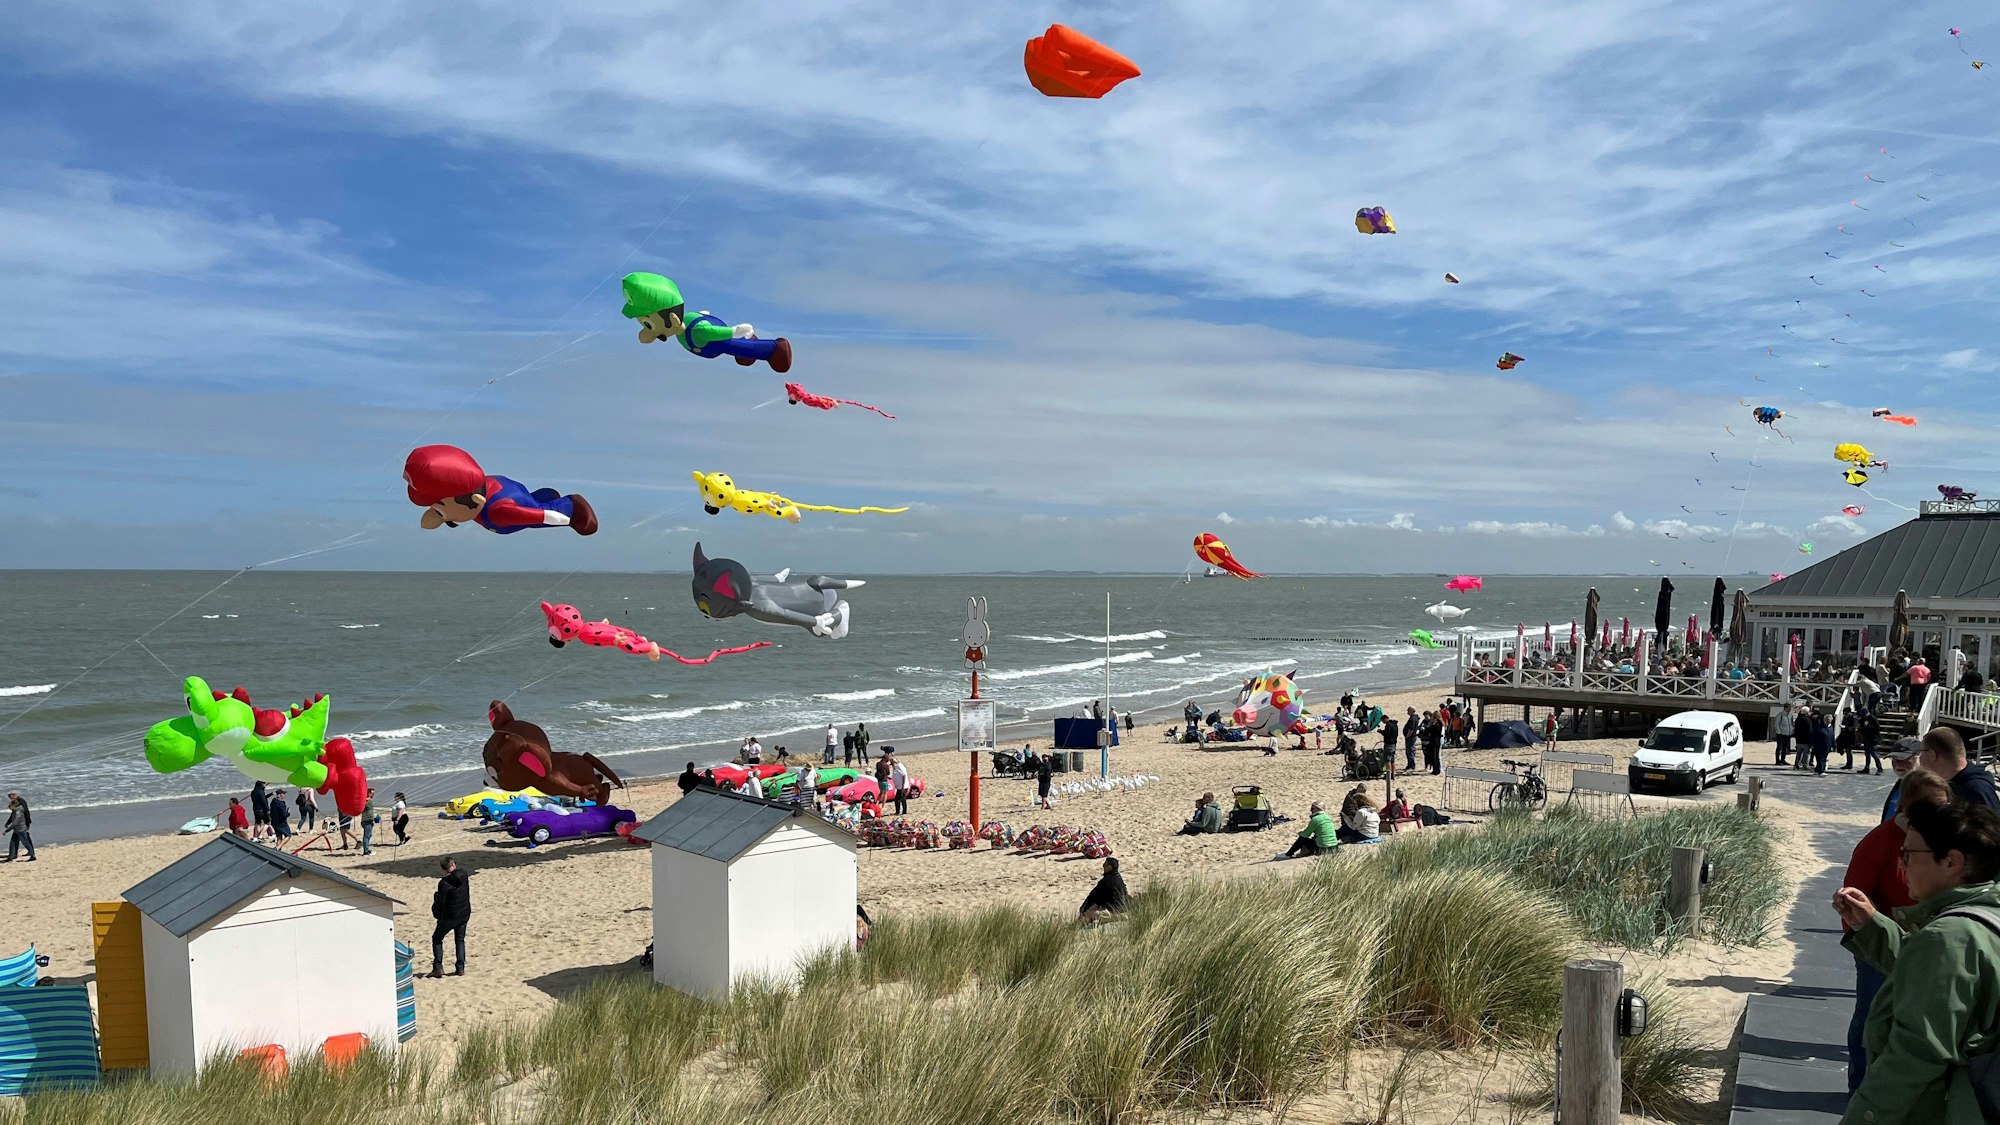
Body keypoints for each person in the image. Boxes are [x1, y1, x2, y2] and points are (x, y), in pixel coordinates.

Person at [1834, 801, 2000, 1124]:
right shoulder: (1984, 915)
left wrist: (1860, 1117)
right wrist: (1872, 927)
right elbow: (1935, 974)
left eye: (1909, 854)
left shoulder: (1948, 938)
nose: (1901, 863)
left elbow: (1915, 1054)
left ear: (1951, 862)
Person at [1840, 768, 1953, 1092]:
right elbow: (1852, 901)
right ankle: (1861, 1088)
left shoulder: (1940, 840)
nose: (1943, 815)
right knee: (1872, 1018)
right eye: (1935, 808)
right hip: (1880, 946)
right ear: (1910, 807)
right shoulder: (1878, 843)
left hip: (1929, 943)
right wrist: (1867, 935)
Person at [1918, 727, 2000, 812]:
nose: (1919, 757)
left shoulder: (1977, 790)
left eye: (1921, 752)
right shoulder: (1948, 783)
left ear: (1932, 755)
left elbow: (1993, 824)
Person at [428, 858, 471, 978]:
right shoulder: (464, 874)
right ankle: (460, 968)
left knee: (437, 938)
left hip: (450, 915)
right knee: (460, 939)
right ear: (453, 865)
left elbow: (440, 903)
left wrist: (436, 905)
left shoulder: (444, 883)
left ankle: (438, 967)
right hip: (464, 913)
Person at [1078, 856, 1128, 924]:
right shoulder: (1118, 878)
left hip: (1113, 912)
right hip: (1123, 909)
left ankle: (1080, 925)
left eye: (1105, 865)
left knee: (1088, 913)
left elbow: (1095, 898)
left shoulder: (1106, 881)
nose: (1103, 867)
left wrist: (1084, 909)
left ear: (1110, 867)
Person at [1882, 738, 1921, 821]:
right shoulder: (1903, 782)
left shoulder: (1924, 788)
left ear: (1919, 757)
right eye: (1894, 759)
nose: (1898, 764)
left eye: (1904, 759)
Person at [4, 793, 34, 862]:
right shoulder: (15, 809)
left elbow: (25, 814)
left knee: (26, 841)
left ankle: (32, 855)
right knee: (13, 842)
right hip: (17, 828)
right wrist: (8, 822)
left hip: (21, 828)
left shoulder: (20, 806)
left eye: (10, 797)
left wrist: (7, 830)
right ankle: (12, 856)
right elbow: (12, 816)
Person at [1859, 708, 1884, 775]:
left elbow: (1877, 728)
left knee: (1874, 754)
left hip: (1873, 739)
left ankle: (1879, 768)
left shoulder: (1872, 718)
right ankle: (1867, 768)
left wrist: (1868, 726)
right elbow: (1861, 726)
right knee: (1867, 754)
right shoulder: (1863, 719)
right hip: (1866, 738)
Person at [360, 788, 378, 855]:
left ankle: (367, 849)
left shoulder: (368, 800)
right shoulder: (366, 801)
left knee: (369, 835)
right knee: (366, 836)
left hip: (369, 820)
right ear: (368, 793)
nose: (373, 795)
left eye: (373, 793)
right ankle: (366, 852)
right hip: (366, 821)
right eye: (372, 793)